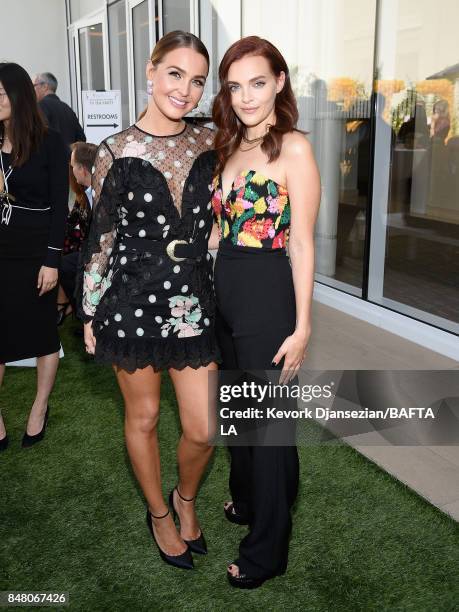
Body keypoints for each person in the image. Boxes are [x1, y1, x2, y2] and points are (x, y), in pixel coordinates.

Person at [79, 31, 219, 570]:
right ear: (150, 70)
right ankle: (159, 513)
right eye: (176, 73)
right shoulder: (114, 149)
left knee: (203, 427)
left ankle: (186, 497)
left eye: (197, 80)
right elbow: (101, 240)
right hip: (130, 299)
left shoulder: (210, 140)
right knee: (144, 417)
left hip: (193, 300)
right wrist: (89, 312)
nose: (185, 89)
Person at [210, 36, 320, 588]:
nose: (246, 97)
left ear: (279, 81)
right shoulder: (227, 146)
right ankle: (251, 500)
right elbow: (220, 229)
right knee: (239, 415)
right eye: (235, 86)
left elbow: (302, 243)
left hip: (268, 295)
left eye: (258, 82)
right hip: (223, 295)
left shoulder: (294, 148)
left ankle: (266, 552)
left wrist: (302, 326)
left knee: (271, 428)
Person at [0, 62, 69, 450]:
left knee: (43, 334)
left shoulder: (50, 142)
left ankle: (39, 408)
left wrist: (52, 260)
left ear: (18, 95)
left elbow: (61, 206)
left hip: (35, 250)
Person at [58, 141, 97, 325]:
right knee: (63, 263)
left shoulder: (102, 192)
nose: (71, 170)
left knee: (68, 264)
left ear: (82, 170)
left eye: (72, 166)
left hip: (102, 255)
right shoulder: (85, 193)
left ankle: (85, 317)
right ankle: (80, 314)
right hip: (87, 248)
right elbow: (70, 222)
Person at [33, 72, 86, 147]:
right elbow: (81, 137)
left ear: (45, 86)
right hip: (69, 157)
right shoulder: (67, 108)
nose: (32, 90)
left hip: (49, 156)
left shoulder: (40, 106)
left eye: (34, 85)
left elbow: (37, 135)